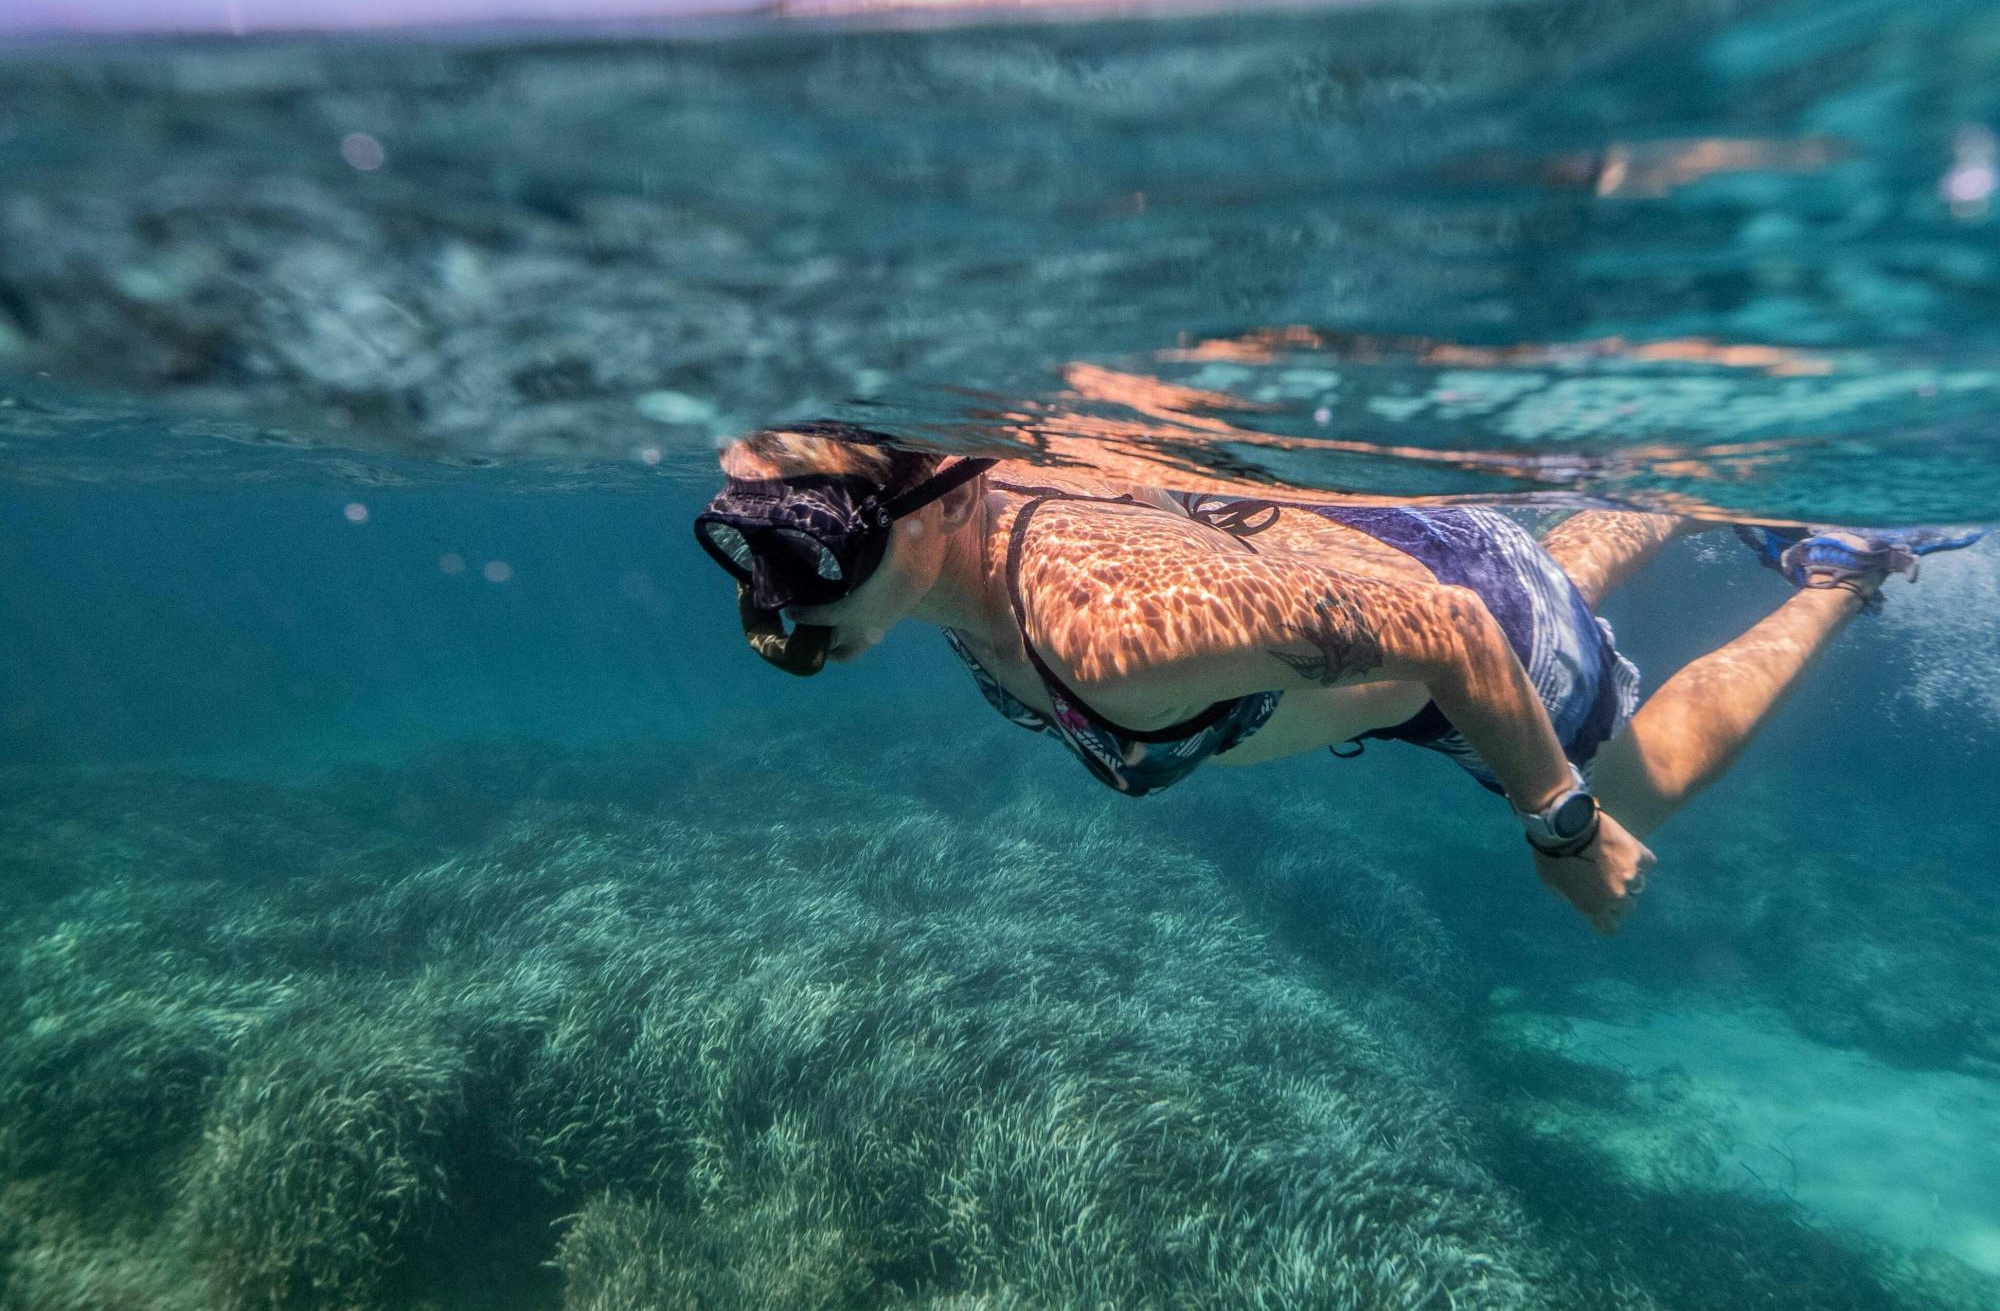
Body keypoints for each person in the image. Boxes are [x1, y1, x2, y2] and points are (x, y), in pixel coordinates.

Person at [694, 423, 1981, 937]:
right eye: (749, 543)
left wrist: (1560, 821)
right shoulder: (953, 524)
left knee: (1627, 778)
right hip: (1378, 568)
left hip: (1444, 626)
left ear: (927, 506)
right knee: (1539, 583)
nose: (777, 599)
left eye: (813, 552)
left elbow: (1443, 630)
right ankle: (1678, 489)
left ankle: (1837, 572)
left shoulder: (1103, 630)